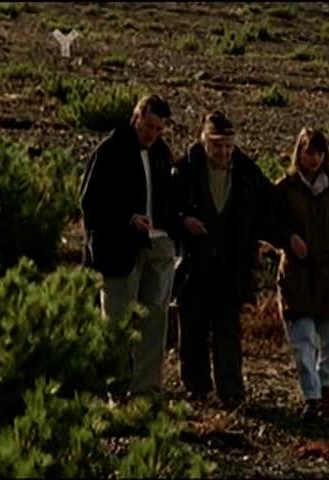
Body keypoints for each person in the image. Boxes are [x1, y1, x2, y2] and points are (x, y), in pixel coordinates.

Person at [172, 111, 304, 408]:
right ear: (204, 141)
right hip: (194, 263)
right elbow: (168, 209)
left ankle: (231, 391)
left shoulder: (247, 174)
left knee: (228, 331)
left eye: (228, 145)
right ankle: (196, 388)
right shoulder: (185, 171)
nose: (223, 152)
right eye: (217, 145)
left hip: (230, 266)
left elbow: (266, 215)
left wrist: (287, 238)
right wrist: (184, 221)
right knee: (192, 329)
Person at [80, 94, 177, 398]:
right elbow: (91, 201)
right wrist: (127, 219)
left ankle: (146, 389)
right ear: (136, 117)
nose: (152, 134)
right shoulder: (110, 151)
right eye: (148, 126)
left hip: (156, 246)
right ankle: (116, 391)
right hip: (118, 250)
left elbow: (168, 198)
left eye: (159, 129)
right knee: (118, 323)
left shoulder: (161, 153)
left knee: (154, 319)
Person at [275, 127, 329, 421]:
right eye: (308, 151)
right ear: (298, 152)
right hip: (298, 276)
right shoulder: (285, 188)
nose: (313, 159)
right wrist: (288, 238)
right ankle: (311, 399)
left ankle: (326, 391)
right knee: (303, 342)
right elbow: (269, 222)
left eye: (319, 153)